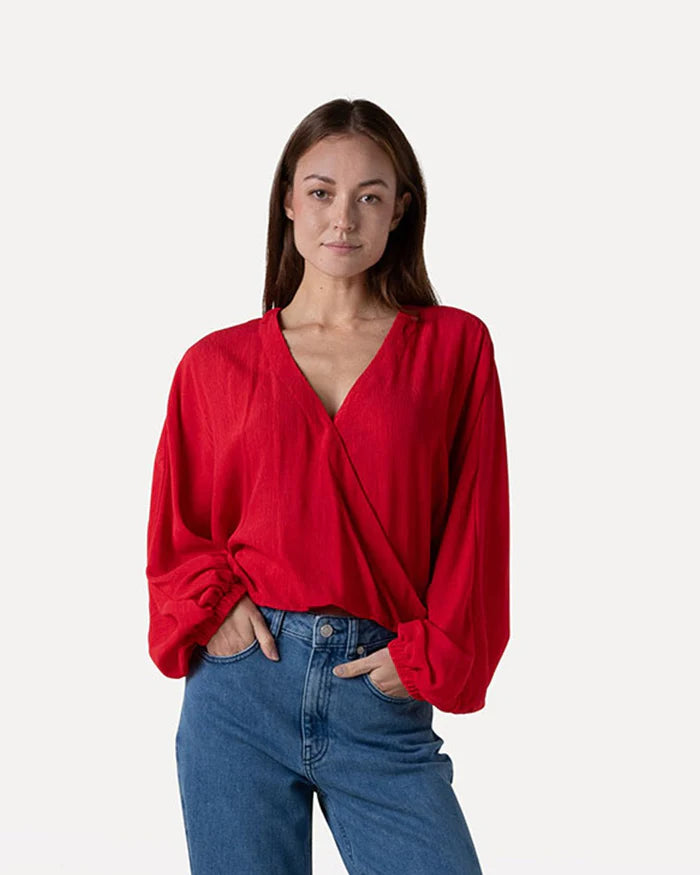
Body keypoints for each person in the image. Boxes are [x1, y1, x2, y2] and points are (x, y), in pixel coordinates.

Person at [145, 97, 510, 875]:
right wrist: (214, 609)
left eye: (369, 196)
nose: (343, 217)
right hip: (240, 693)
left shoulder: (455, 348)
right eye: (321, 192)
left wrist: (426, 656)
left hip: (379, 689)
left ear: (400, 209)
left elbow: (478, 528)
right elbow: (178, 531)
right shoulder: (213, 365)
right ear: (287, 199)